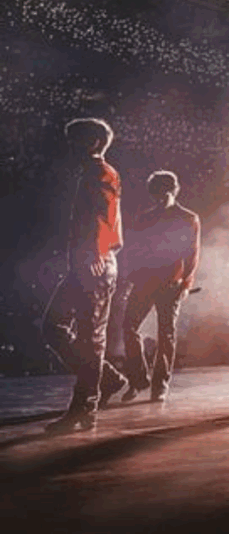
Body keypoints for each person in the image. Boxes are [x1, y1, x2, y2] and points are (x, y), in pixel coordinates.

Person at [42, 118, 127, 433]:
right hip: (91, 262)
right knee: (54, 327)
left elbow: (101, 217)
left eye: (73, 140)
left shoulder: (100, 173)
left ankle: (85, 409)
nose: (68, 146)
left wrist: (94, 253)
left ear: (91, 143)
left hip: (94, 263)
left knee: (90, 339)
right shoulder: (97, 173)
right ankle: (105, 379)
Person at [120, 171, 201, 403]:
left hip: (171, 284)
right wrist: (131, 278)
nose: (161, 198)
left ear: (174, 190)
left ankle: (160, 385)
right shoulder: (144, 218)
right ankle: (138, 379)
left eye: (165, 192)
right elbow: (134, 250)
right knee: (129, 327)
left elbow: (192, 254)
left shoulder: (188, 218)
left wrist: (186, 284)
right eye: (157, 194)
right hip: (145, 282)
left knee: (166, 335)